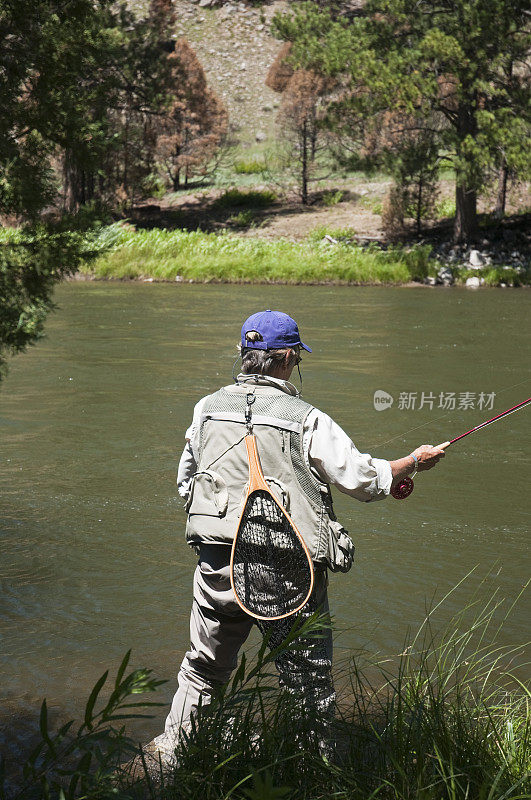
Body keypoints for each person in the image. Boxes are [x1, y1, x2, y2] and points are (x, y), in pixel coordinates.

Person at [146, 309, 446, 769]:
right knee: (306, 680)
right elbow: (363, 480)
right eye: (296, 360)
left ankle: (172, 757)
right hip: (287, 570)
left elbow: (187, 482)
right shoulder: (305, 417)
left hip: (216, 561)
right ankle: (312, 771)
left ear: (246, 357)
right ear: (286, 359)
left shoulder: (205, 409)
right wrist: (412, 462)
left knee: (204, 668)